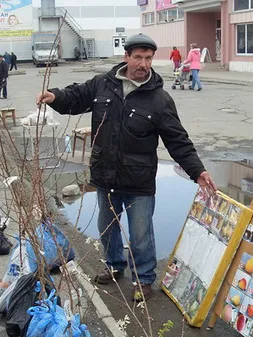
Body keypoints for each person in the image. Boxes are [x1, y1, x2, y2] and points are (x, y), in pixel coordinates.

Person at [36, 33, 216, 302]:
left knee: (141, 234)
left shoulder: (159, 99)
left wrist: (197, 170)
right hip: (105, 175)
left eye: (148, 58)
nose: (143, 63)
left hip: (139, 181)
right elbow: (76, 96)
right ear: (127, 57)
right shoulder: (102, 85)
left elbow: (177, 139)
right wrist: (55, 97)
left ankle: (143, 279)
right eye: (138, 57)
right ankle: (113, 265)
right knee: (107, 228)